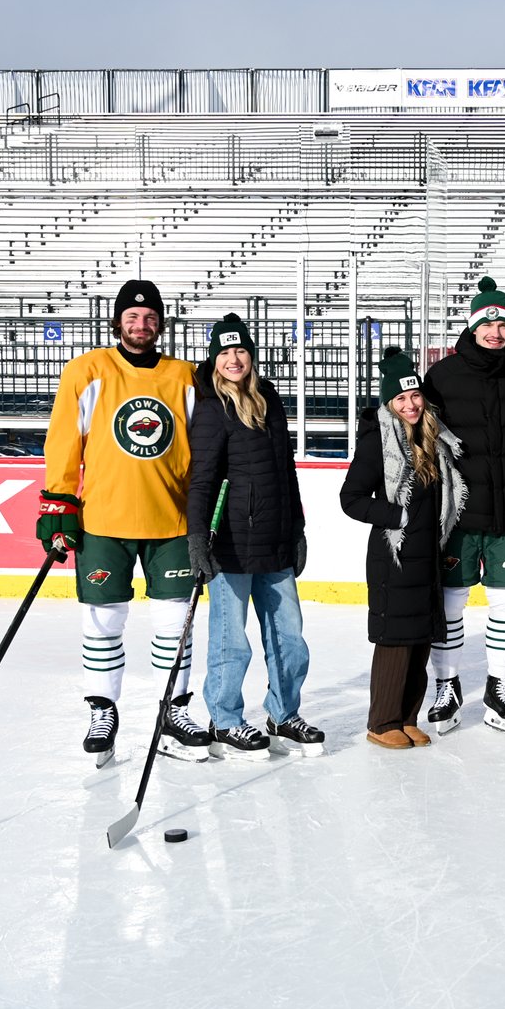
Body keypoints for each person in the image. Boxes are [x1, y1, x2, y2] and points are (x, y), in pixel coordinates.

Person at [38, 278, 212, 766]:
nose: (142, 325)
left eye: (150, 318)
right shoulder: (87, 369)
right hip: (103, 520)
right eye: (133, 317)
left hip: (172, 519)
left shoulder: (184, 376)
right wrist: (58, 506)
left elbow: (207, 446)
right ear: (118, 321)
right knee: (103, 619)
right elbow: (63, 443)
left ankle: (173, 711)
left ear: (160, 324)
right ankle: (103, 709)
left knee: (174, 621)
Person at [187, 315, 321, 761]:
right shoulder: (211, 407)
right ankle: (225, 720)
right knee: (232, 640)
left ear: (252, 355)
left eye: (240, 350)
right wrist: (196, 540)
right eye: (224, 353)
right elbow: (202, 480)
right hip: (230, 546)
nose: (233, 359)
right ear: (214, 360)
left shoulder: (270, 400)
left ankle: (283, 715)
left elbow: (286, 472)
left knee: (289, 637)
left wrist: (297, 529)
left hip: (277, 541)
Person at [421, 276, 505, 735]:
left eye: (503, 324)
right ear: (473, 328)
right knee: (451, 602)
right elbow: (420, 437)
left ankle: (500, 686)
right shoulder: (443, 376)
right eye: (487, 324)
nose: (496, 332)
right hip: (458, 514)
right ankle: (446, 685)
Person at [340, 348, 468, 749]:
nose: (411, 405)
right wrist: (399, 517)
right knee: (395, 641)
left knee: (420, 639)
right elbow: (352, 498)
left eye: (415, 397)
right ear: (388, 403)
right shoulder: (377, 441)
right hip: (393, 558)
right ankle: (382, 722)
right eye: (401, 399)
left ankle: (407, 717)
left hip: (426, 558)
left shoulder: (433, 438)